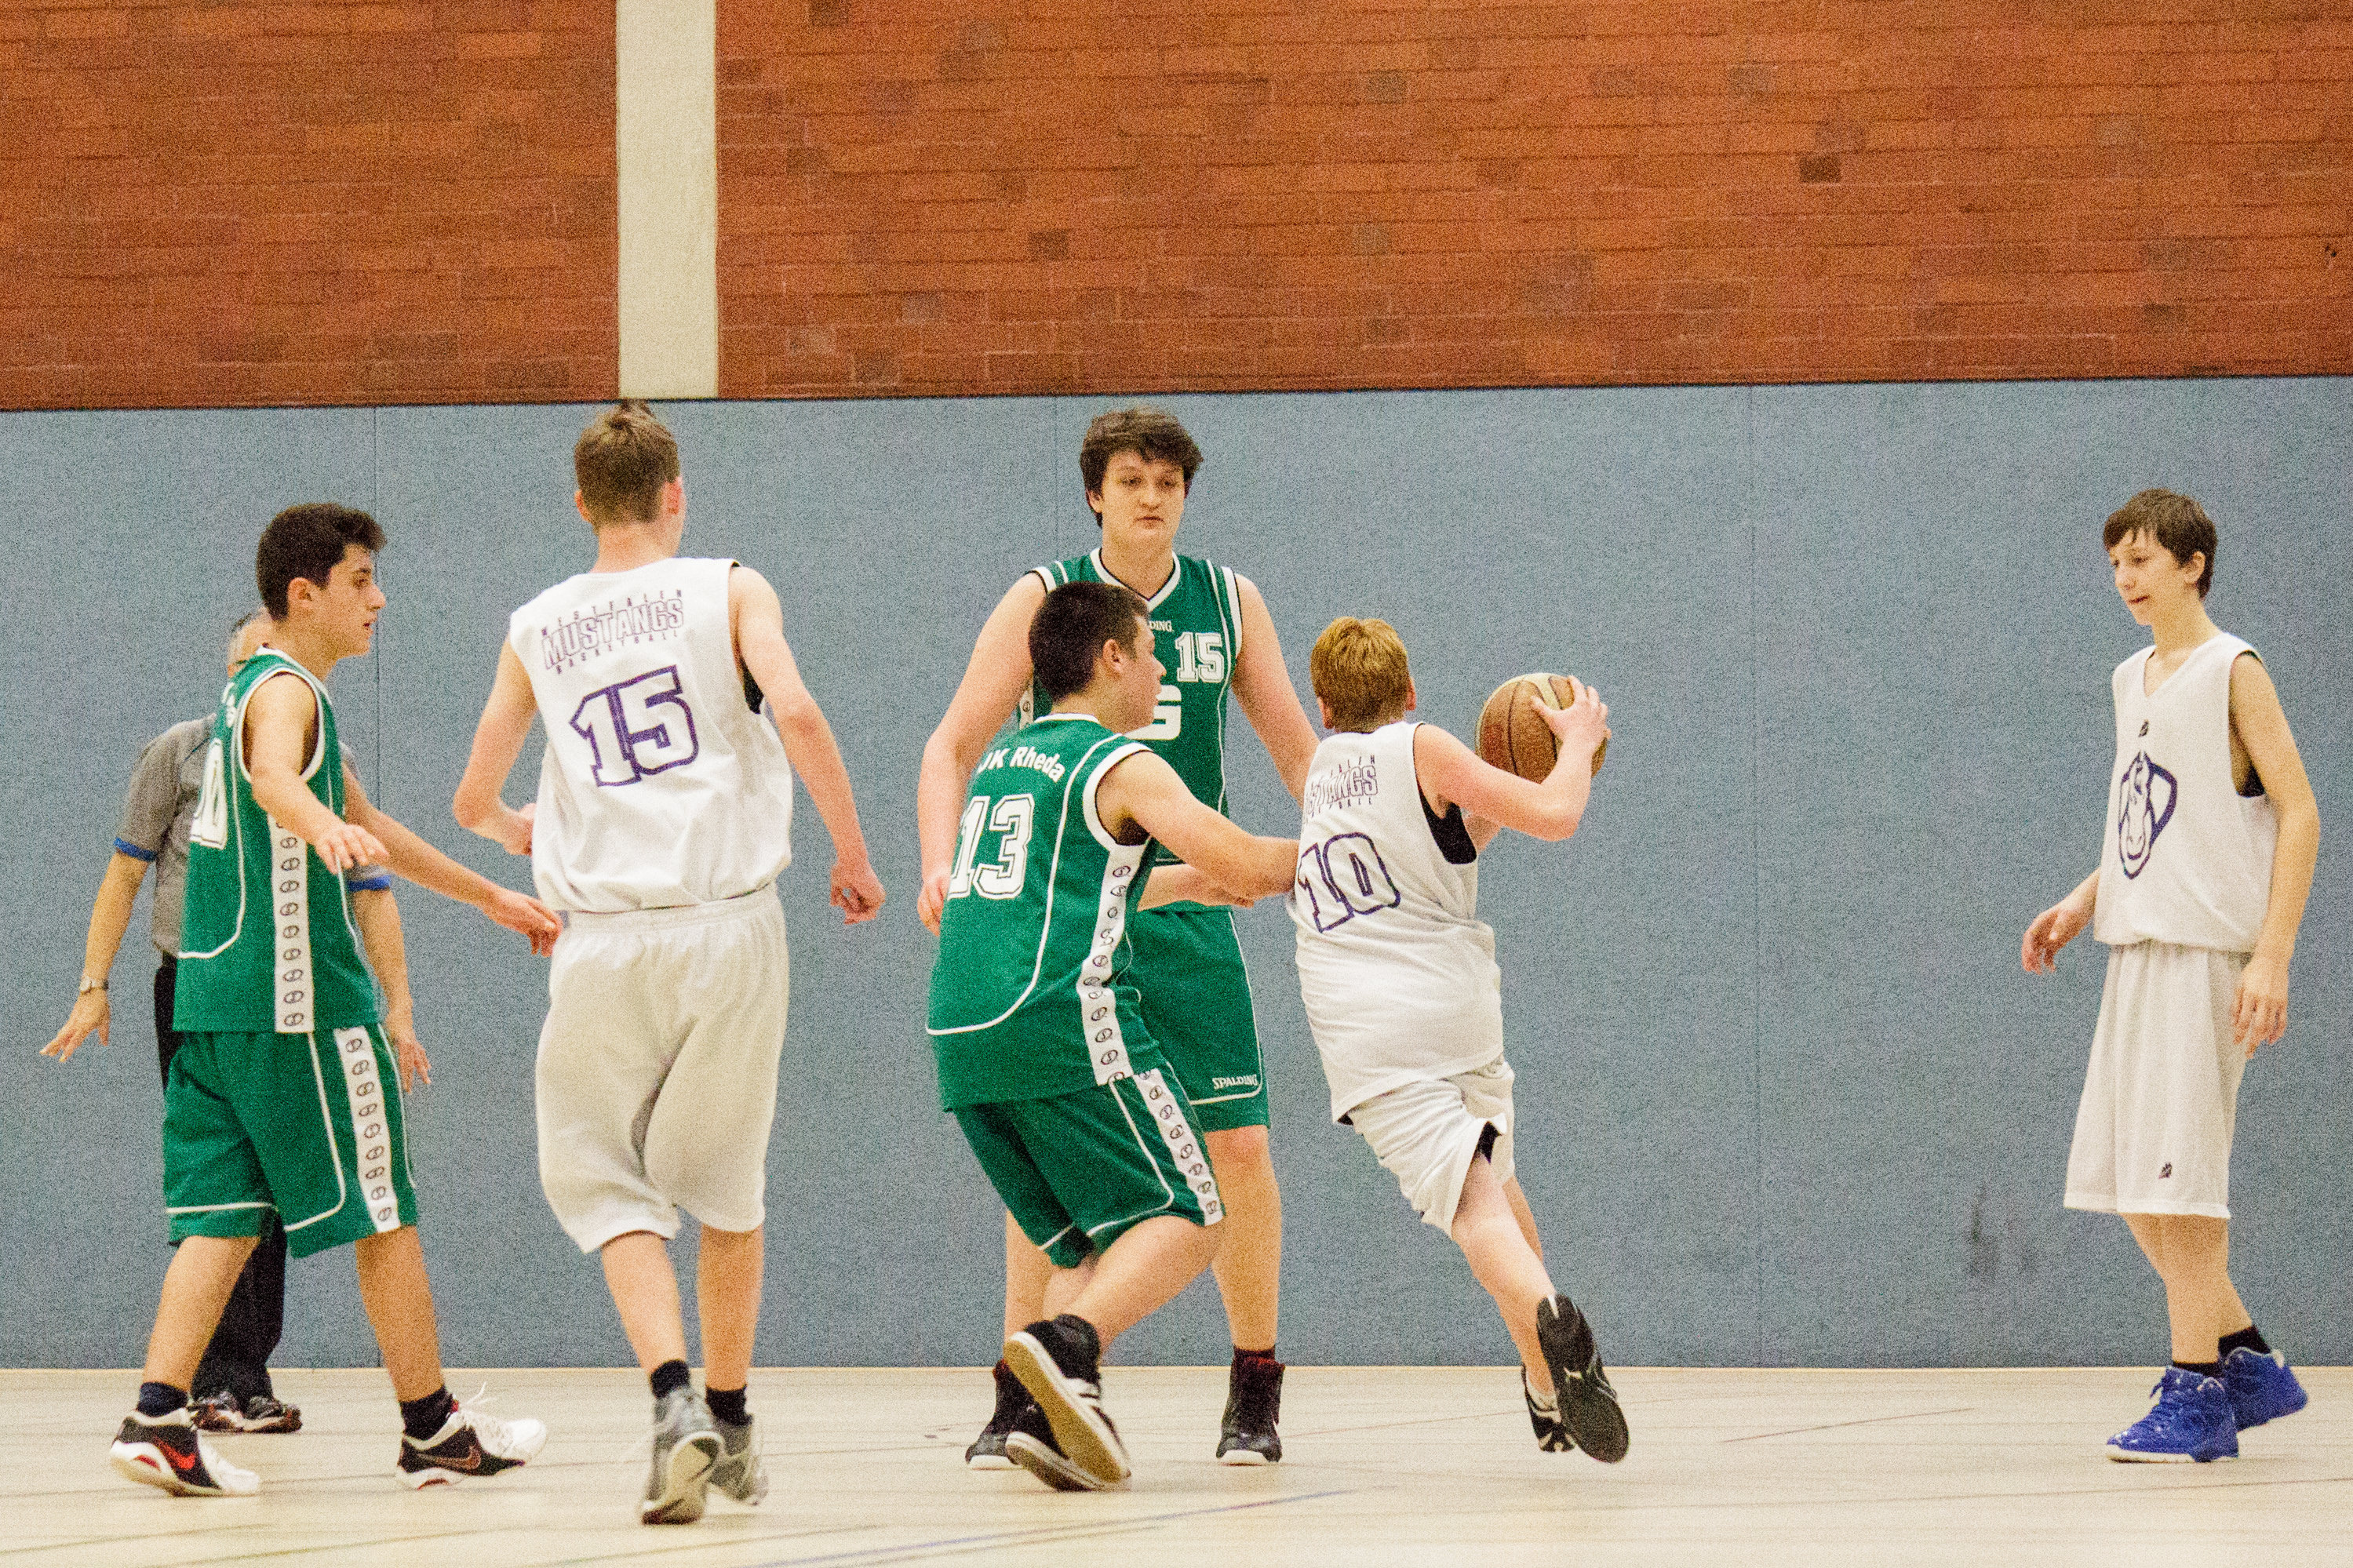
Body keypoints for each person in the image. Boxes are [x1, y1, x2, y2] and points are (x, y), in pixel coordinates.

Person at [454, 401, 885, 1525]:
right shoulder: (728, 586)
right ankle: (731, 1420)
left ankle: (671, 1397)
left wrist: (524, 831)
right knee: (728, 1181)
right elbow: (796, 709)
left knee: (604, 1177)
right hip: (731, 922)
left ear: (581, 504)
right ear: (674, 494)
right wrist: (849, 850)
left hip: (603, 935)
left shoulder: (536, 624)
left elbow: (470, 797)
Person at [106, 503, 561, 1499]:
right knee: (382, 1208)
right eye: (361, 580)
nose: (379, 599)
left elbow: (371, 824)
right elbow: (280, 779)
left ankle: (157, 1416)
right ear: (303, 595)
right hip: (297, 1003)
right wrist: (319, 826)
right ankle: (432, 1427)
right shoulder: (286, 692)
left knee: (225, 1220)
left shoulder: (244, 693)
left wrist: (489, 897)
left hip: (212, 1007)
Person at [918, 406, 1318, 1466]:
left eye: (1167, 484)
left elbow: (1296, 752)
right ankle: (1023, 1387)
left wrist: (1357, 822)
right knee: (1053, 1171)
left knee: (1237, 1147)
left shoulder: (1228, 600)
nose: (1150, 498)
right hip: (1069, 909)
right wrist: (938, 863)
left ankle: (1253, 1384)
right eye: (1131, 481)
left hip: (1179, 902)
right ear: (1095, 493)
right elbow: (952, 742)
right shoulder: (1045, 598)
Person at [46, 610, 428, 1435]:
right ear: (237, 678)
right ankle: (423, 1421)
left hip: (261, 995)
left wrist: (404, 999)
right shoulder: (183, 751)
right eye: (251, 662)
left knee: (244, 1201)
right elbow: (128, 869)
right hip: (216, 987)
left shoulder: (327, 754)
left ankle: (205, 1390)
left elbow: (375, 879)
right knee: (263, 1200)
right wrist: (92, 983)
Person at [1288, 617, 1629, 1461]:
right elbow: (1556, 814)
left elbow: (1441, 840)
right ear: (1410, 692)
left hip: (1370, 1029)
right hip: (1455, 1006)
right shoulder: (1426, 748)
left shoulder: (1321, 775)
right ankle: (1545, 1385)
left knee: (1473, 1204)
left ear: (1322, 707)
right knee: (1497, 1189)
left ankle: (1552, 1324)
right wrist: (1573, 745)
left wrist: (1505, 789)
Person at [2023, 489, 2318, 1464]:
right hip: (2136, 947)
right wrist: (2083, 898)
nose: (2123, 579)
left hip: (2205, 955)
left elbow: (2300, 813)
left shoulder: (2233, 669)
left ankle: (2196, 1390)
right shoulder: (2130, 678)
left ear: (2191, 565)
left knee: (2181, 1182)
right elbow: (2146, 820)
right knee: (2132, 1181)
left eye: (2141, 560)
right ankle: (2247, 1364)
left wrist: (2271, 952)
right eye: (2114, 564)